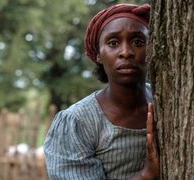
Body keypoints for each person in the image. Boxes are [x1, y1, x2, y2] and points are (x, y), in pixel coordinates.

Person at [44, 3, 159, 180]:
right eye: (113, 43)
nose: (126, 52)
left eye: (138, 42)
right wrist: (147, 175)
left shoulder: (164, 101)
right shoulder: (77, 123)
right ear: (98, 54)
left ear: (150, 49)